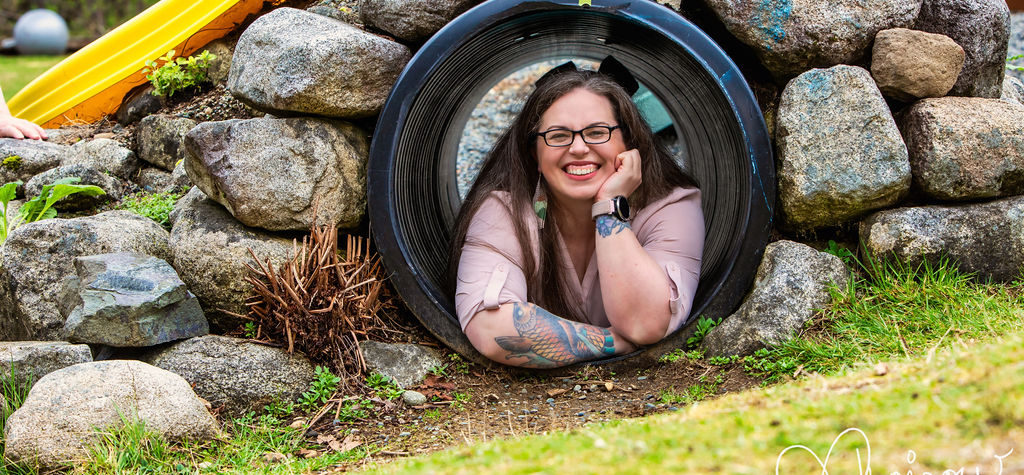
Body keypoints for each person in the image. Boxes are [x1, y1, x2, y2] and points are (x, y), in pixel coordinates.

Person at [448, 57, 704, 368]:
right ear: (535, 155)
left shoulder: (670, 206)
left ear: (629, 142)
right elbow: (490, 327)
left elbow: (646, 324)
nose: (579, 148)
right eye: (558, 136)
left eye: (597, 132)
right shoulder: (504, 211)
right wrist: (613, 341)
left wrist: (611, 207)